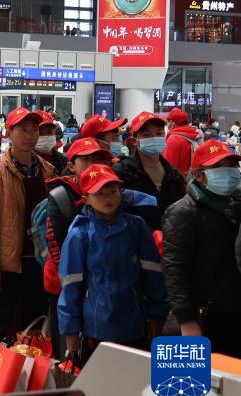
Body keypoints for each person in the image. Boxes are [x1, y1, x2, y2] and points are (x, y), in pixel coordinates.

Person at [58, 164, 168, 364]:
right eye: (99, 193)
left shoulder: (136, 226)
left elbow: (153, 273)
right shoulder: (80, 234)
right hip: (96, 326)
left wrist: (157, 315)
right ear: (86, 199)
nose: (107, 198)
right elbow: (70, 284)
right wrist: (70, 329)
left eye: (112, 191)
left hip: (135, 321)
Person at [0, 107, 55, 339]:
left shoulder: (47, 170)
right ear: (9, 133)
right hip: (7, 262)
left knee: (37, 326)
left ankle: (29, 363)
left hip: (39, 262)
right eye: (23, 130)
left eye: (34, 130)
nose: (30, 135)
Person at [162, 139, 241, 357]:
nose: (228, 172)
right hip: (206, 315)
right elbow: (175, 269)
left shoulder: (236, 205)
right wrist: (187, 320)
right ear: (198, 175)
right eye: (218, 167)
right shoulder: (182, 212)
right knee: (203, 377)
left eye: (232, 165)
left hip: (235, 307)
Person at [114, 112, 186, 231]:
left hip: (170, 239)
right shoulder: (122, 173)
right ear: (134, 140)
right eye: (146, 135)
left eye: (159, 133)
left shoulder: (175, 175)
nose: (154, 138)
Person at [163, 107, 200, 178]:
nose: (168, 125)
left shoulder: (174, 139)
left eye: (168, 121)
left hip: (178, 181)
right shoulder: (191, 135)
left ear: (172, 122)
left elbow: (168, 167)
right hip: (189, 179)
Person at [35, 111, 69, 175]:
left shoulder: (63, 161)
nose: (45, 136)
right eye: (40, 133)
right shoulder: (24, 161)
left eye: (49, 132)